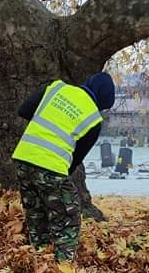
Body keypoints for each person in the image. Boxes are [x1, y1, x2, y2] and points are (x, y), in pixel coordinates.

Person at [12, 72, 115, 260]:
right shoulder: (93, 119)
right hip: (51, 165)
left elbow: (24, 110)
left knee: (36, 213)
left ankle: (39, 259)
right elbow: (76, 158)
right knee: (69, 218)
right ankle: (63, 268)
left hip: (23, 158)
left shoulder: (56, 88)